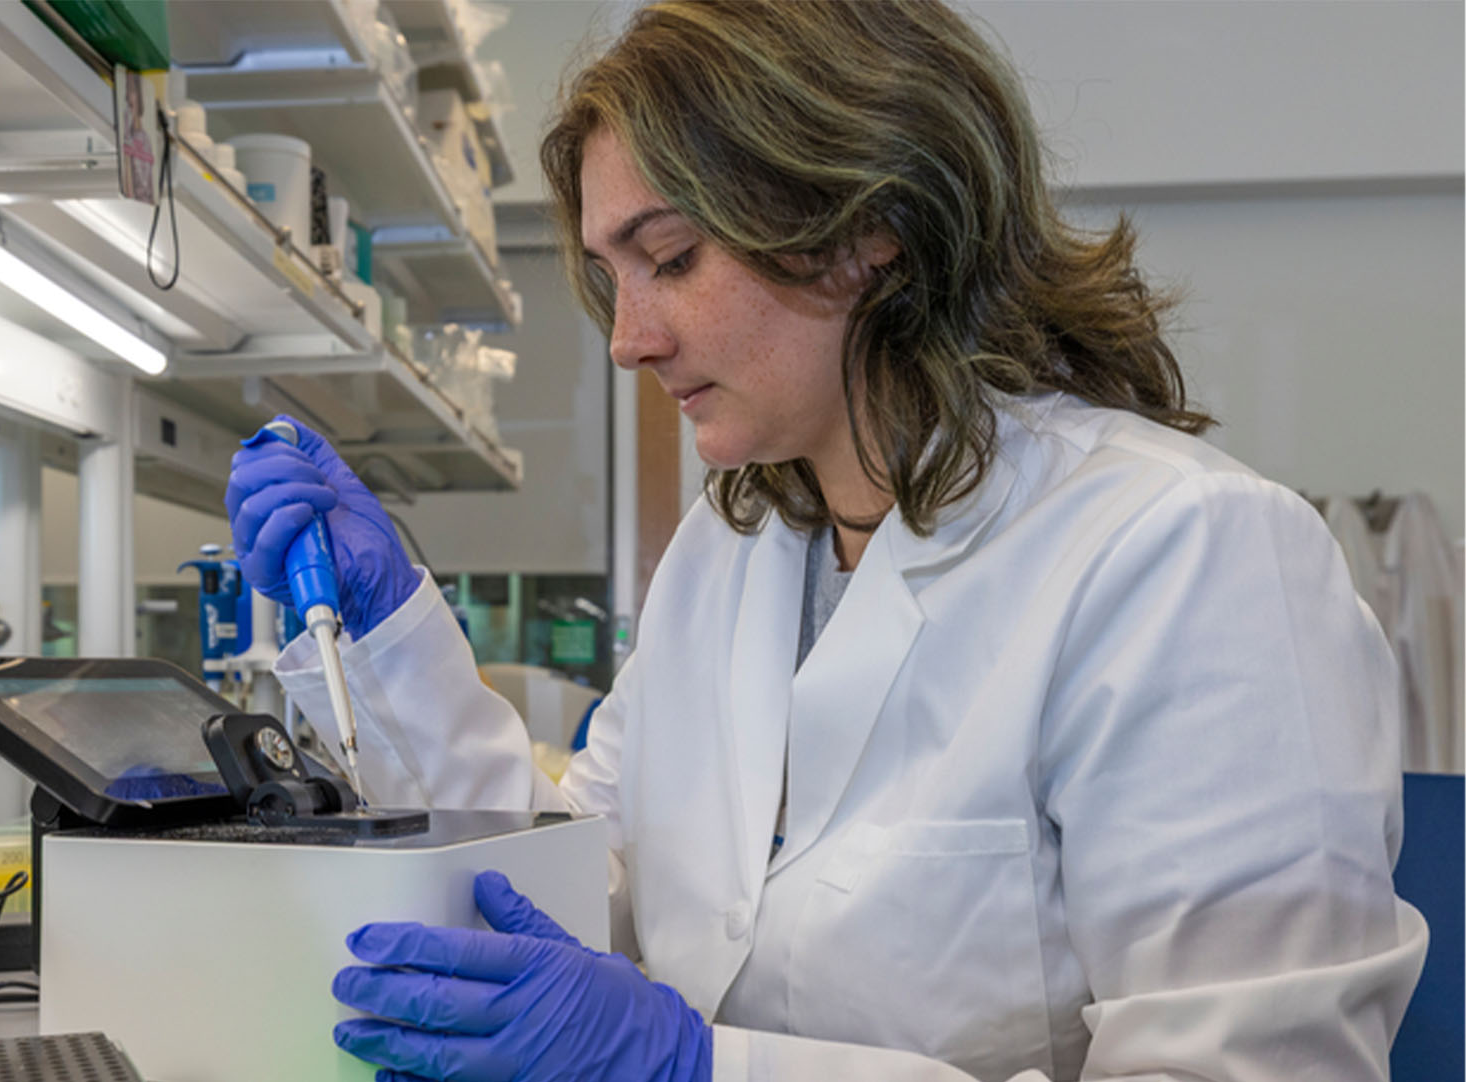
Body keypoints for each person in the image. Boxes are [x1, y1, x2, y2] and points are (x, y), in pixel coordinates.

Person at [224, 2, 1426, 1079]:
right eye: (609, 275)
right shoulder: (728, 553)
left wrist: (699, 1068)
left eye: (673, 258)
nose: (627, 340)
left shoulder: (1185, 556)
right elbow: (564, 899)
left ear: (871, 227)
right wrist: (387, 642)